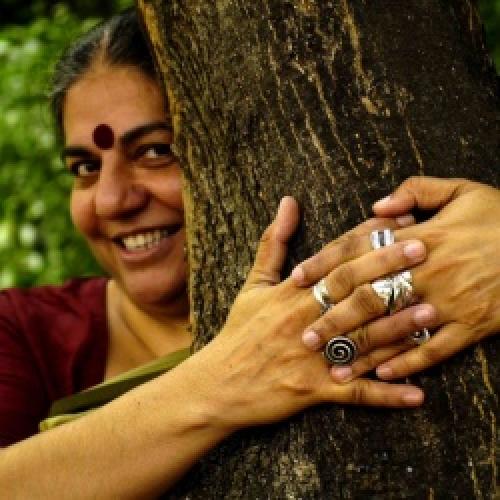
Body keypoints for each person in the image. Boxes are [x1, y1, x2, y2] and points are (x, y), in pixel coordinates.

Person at [0, 8, 497, 497]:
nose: (111, 200)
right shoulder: (26, 334)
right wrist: (221, 381)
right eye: (84, 166)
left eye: (155, 150)